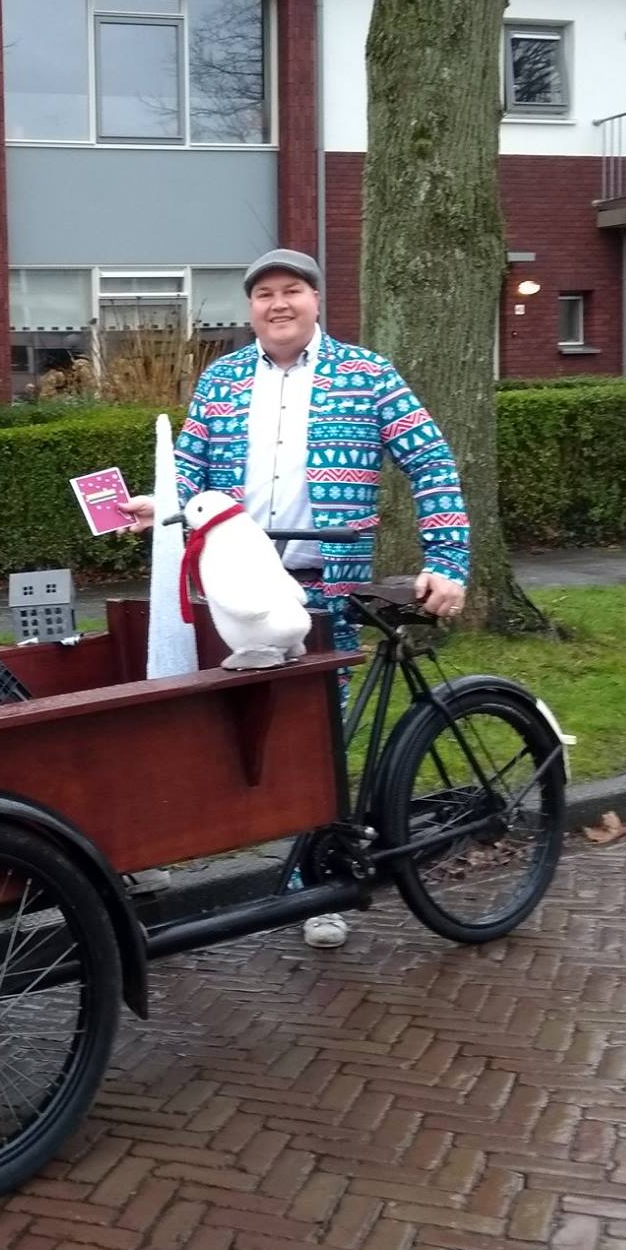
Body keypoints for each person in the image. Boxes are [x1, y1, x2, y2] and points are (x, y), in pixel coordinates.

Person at [119, 247, 470, 949]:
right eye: (264, 294)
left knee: (319, 743)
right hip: (232, 592)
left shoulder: (367, 374)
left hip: (325, 590)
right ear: (249, 308)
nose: (278, 304)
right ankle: (170, 854)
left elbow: (431, 463)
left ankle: (317, 887)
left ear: (316, 300)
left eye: (293, 291)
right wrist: (158, 505)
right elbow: (189, 473)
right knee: (219, 728)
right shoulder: (220, 380)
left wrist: (449, 564)